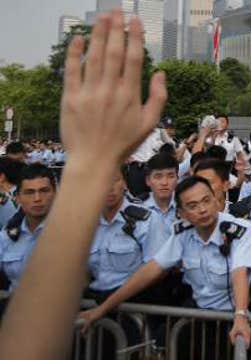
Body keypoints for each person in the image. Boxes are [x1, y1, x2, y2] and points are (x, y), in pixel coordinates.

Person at [0, 9, 169, 359]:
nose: (36, 198)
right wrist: (92, 164)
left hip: (129, 320)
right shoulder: (13, 233)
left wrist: (89, 167)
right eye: (28, 193)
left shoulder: (142, 220)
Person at [79, 176, 251, 347]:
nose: (203, 209)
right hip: (199, 320)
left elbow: (239, 272)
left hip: (234, 321)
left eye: (206, 201)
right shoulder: (182, 233)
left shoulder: (241, 231)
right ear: (181, 213)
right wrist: (103, 309)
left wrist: (240, 316)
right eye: (193, 205)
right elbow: (152, 269)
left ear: (215, 200)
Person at [84, 166, 170, 302]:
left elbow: (157, 270)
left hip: (133, 303)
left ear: (124, 183)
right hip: (93, 300)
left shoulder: (146, 220)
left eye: (114, 180)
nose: (109, 187)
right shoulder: (85, 225)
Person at [0, 165, 56, 292]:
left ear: (55, 194)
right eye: (29, 192)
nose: (37, 199)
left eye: (44, 191)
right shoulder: (8, 236)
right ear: (18, 198)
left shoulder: (74, 233)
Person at [140, 152, 179, 233]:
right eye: (158, 177)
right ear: (148, 180)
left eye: (170, 176)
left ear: (177, 179)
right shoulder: (138, 207)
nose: (164, 182)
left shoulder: (186, 204)